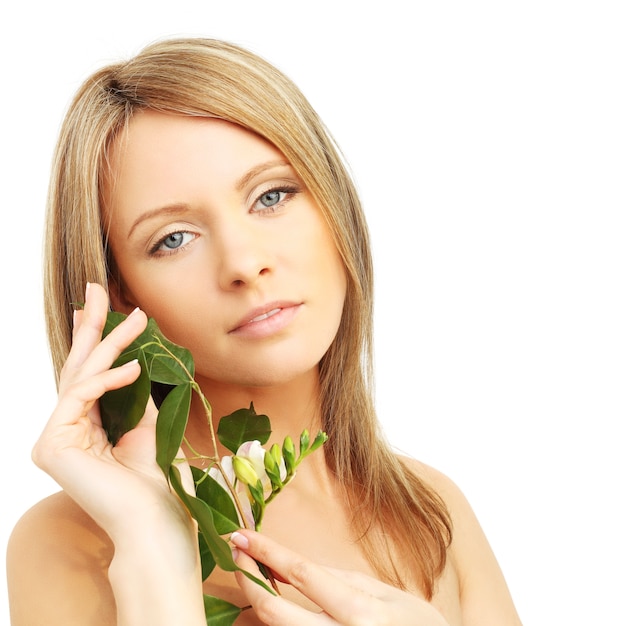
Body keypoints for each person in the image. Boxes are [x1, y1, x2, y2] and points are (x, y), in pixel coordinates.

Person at [6, 38, 522, 625]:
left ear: (333, 206)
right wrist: (153, 546)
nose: (244, 263)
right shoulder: (75, 543)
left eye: (271, 196)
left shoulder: (429, 507)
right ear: (120, 297)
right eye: (173, 238)